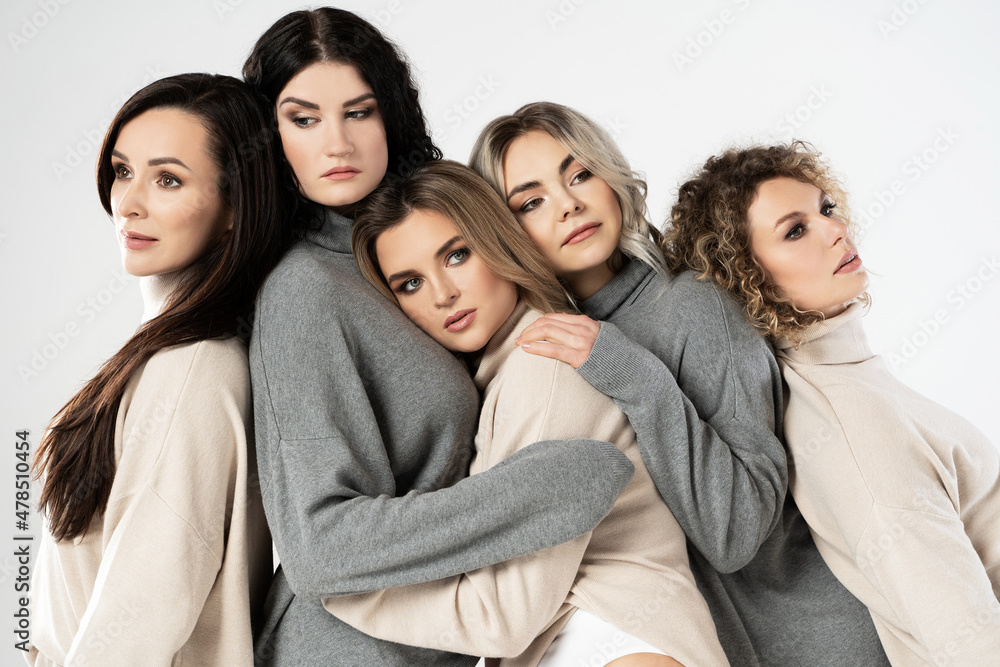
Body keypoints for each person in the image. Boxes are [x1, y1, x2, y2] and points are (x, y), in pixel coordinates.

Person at [241, 9, 634, 666]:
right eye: (304, 119)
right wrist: (538, 489)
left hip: (440, 645)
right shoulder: (303, 286)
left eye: (359, 112)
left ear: (389, 115)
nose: (337, 142)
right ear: (270, 136)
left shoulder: (398, 246)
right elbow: (316, 546)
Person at [471, 103, 890, 665]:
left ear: (612, 177)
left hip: (820, 643)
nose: (569, 204)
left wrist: (635, 375)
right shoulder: (548, 349)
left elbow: (737, 534)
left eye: (579, 174)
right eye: (532, 201)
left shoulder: (696, 305)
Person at [324, 159, 729, 667]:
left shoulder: (546, 367)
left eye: (455, 256)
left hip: (619, 639)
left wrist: (341, 585)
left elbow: (500, 618)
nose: (442, 294)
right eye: (409, 284)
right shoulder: (503, 373)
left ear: (498, 242)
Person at [662, 141, 1000, 665]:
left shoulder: (852, 383)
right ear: (748, 277)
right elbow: (969, 641)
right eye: (795, 231)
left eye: (825, 209)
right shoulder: (855, 427)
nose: (834, 229)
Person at [28, 73, 284, 666]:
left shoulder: (191, 372)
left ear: (233, 209)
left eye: (168, 179)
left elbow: (139, 619)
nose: (129, 202)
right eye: (123, 171)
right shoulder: (170, 353)